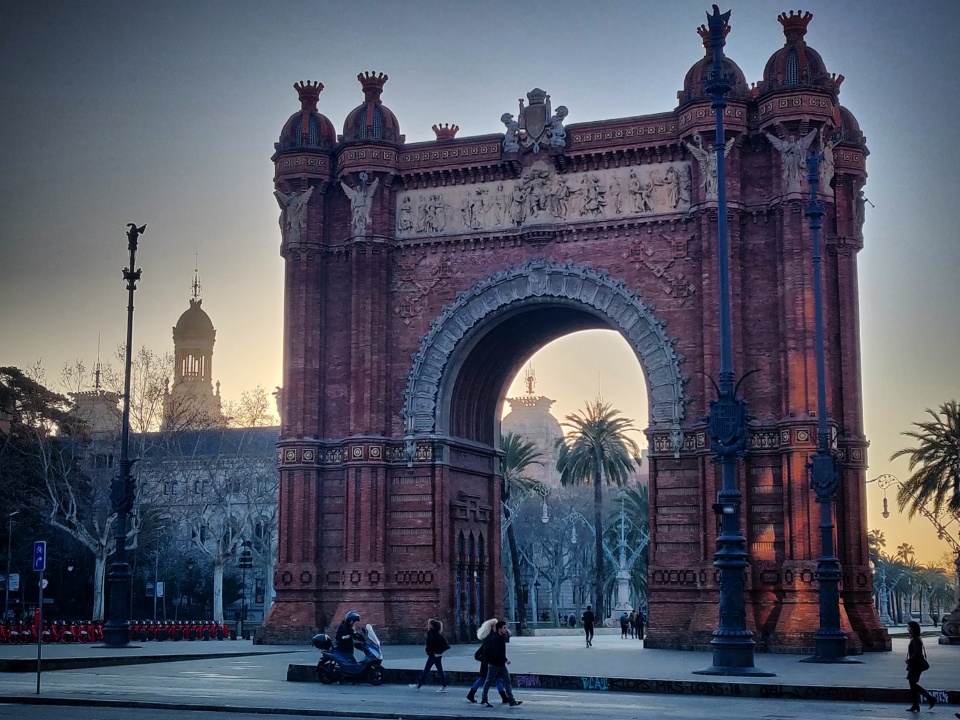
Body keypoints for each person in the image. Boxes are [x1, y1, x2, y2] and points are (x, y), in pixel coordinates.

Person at [480, 620, 521, 708]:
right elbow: (496, 652)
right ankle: (484, 698)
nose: (506, 629)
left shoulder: (501, 637)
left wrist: (504, 660)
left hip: (501, 664)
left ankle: (512, 700)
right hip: (494, 664)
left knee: (507, 681)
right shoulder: (495, 638)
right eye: (504, 628)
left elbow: (501, 651)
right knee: (489, 681)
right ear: (499, 629)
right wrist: (505, 660)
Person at [467, 618, 506, 704]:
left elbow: (479, 653)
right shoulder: (491, 638)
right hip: (491, 663)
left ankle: (471, 694)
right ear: (492, 627)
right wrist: (486, 660)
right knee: (491, 679)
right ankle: (503, 697)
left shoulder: (490, 637)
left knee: (488, 679)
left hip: (490, 662)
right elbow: (483, 652)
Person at [410, 619, 450, 692]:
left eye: (428, 624)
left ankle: (418, 686)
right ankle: (444, 687)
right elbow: (446, 646)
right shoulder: (437, 634)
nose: (427, 625)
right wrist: (440, 651)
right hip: (437, 655)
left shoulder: (432, 634)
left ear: (431, 625)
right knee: (440, 671)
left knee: (426, 671)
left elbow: (431, 645)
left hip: (433, 655)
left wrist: (431, 651)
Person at [905, 620, 936, 712]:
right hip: (915, 664)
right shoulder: (916, 638)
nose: (908, 630)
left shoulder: (915, 639)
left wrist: (909, 660)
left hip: (916, 665)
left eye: (909, 628)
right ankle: (915, 705)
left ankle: (931, 699)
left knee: (913, 684)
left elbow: (917, 652)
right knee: (912, 684)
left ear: (913, 629)